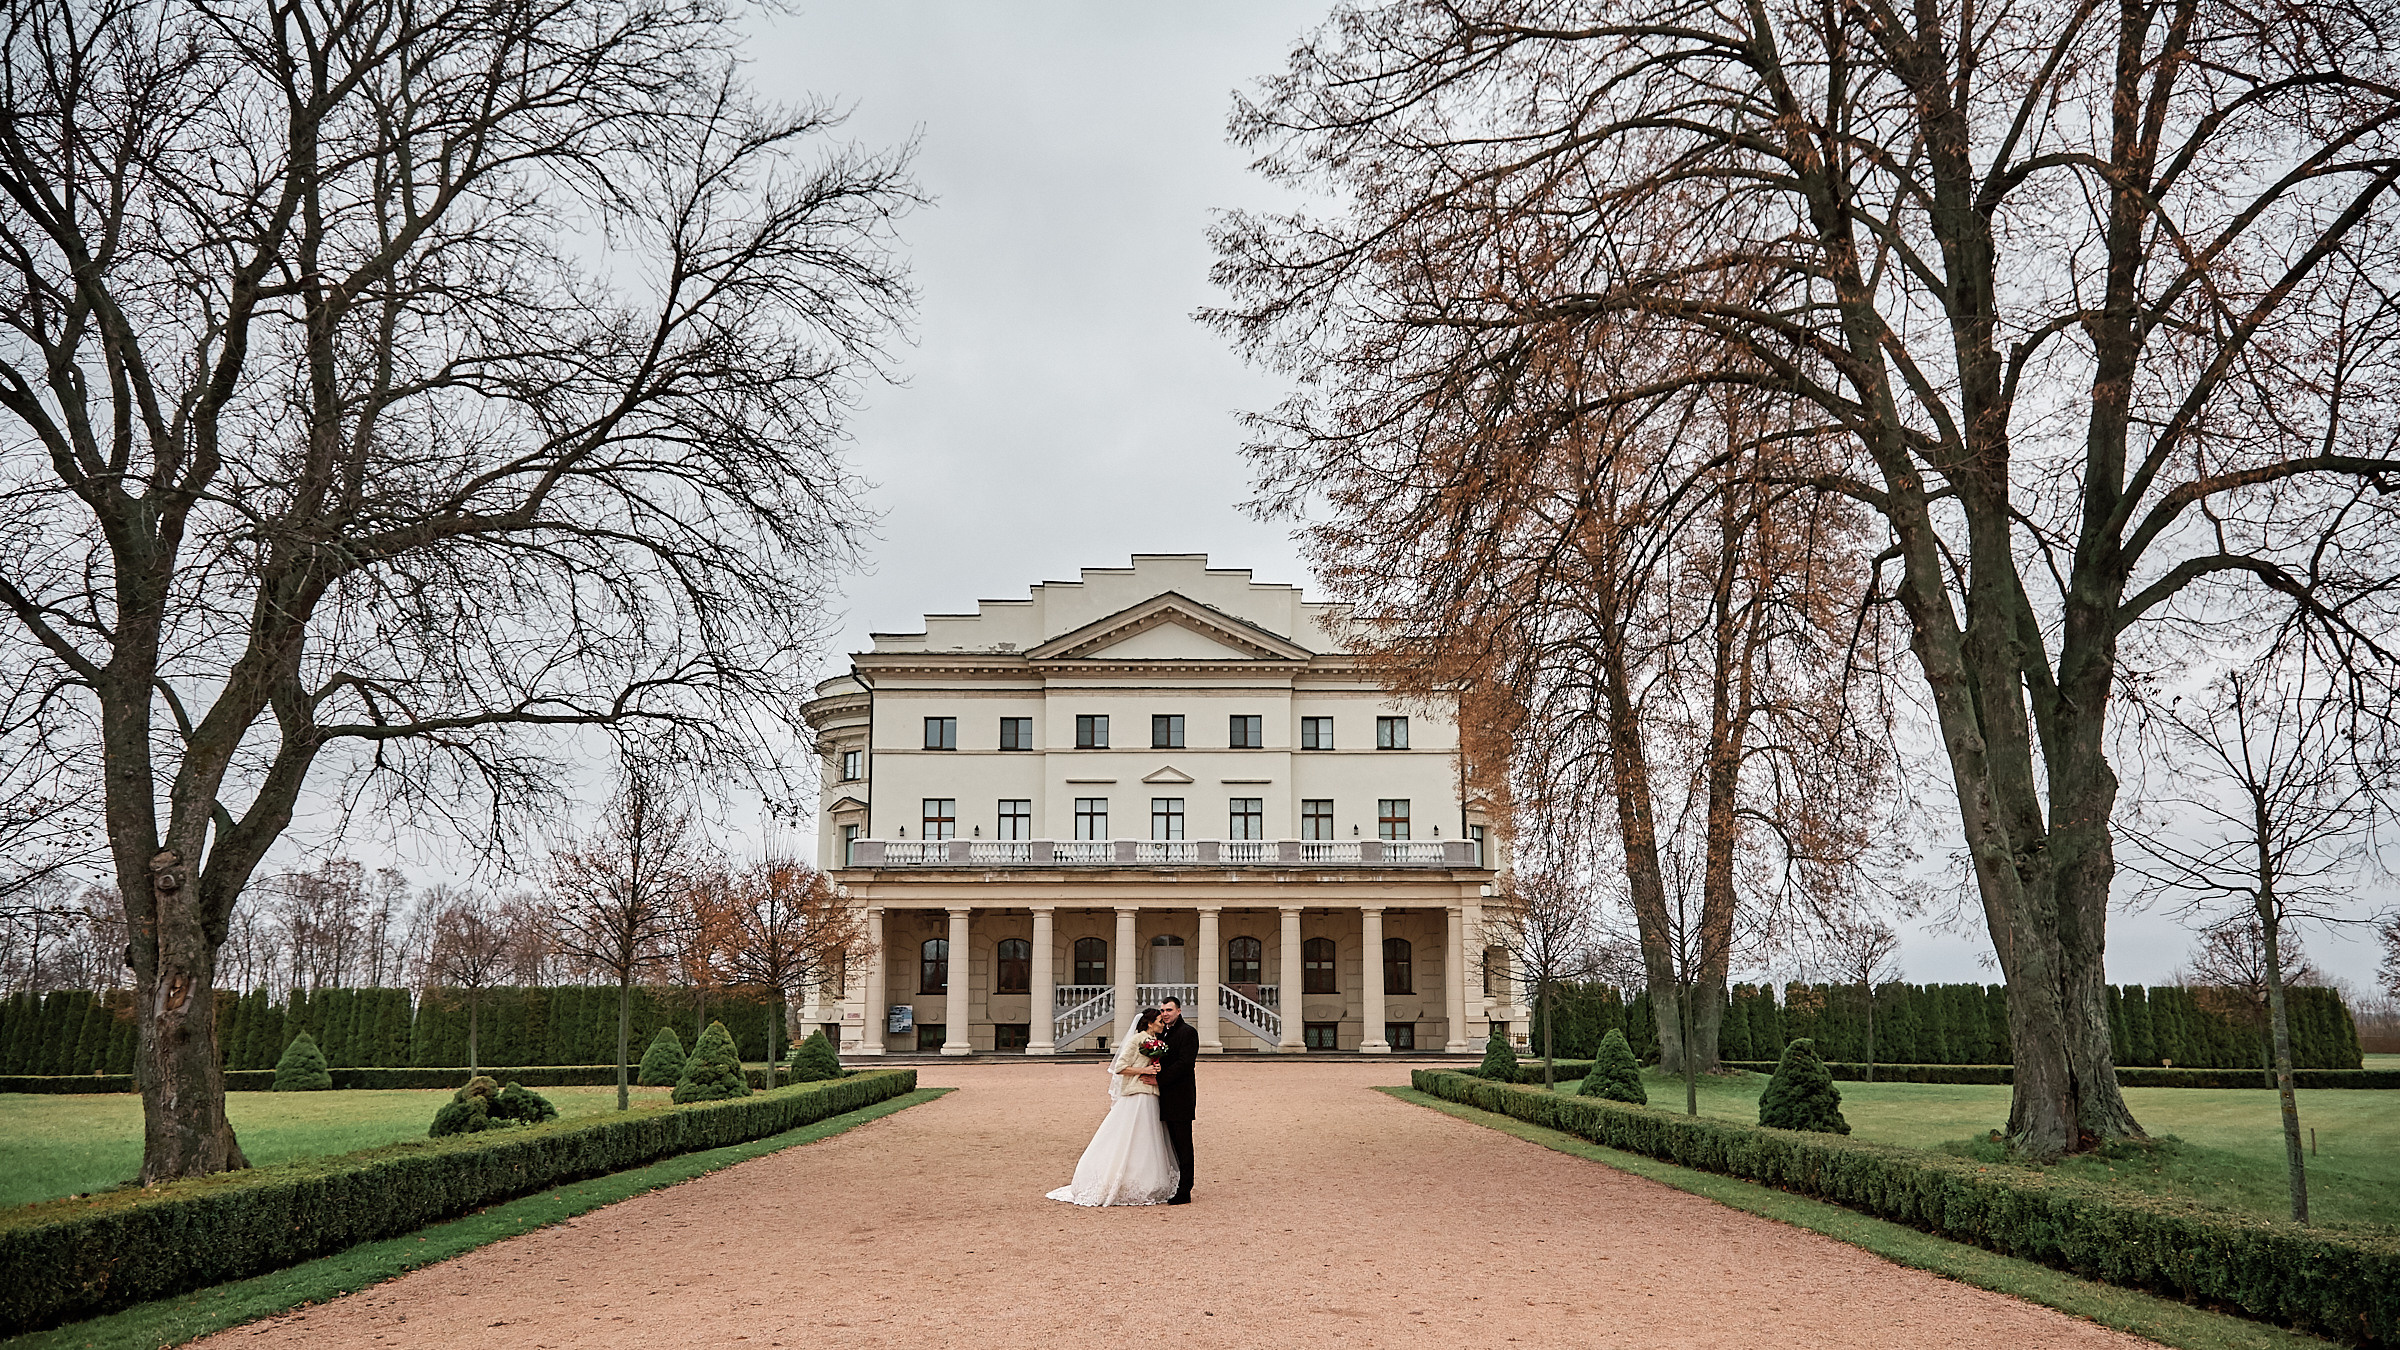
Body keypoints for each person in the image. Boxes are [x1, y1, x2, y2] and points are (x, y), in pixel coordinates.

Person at [1046, 1007, 1180, 1206]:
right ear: (1150, 1023)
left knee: (1149, 1137)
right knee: (1134, 1135)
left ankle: (1150, 1180)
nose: (1163, 1024)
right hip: (1137, 1094)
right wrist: (1144, 1069)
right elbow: (1120, 1067)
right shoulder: (1137, 1040)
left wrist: (1156, 1069)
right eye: (1160, 1021)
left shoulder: (1156, 1042)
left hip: (1151, 1094)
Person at [1143, 995, 1199, 1204]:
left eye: (1169, 1010)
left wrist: (1159, 1079)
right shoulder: (1163, 1032)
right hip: (1164, 1097)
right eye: (1163, 1011)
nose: (1165, 1014)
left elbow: (1185, 1064)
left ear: (1179, 1011)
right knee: (1169, 1144)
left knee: (1183, 1144)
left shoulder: (1188, 1032)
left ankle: (1185, 1190)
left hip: (1181, 1096)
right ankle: (1173, 1184)